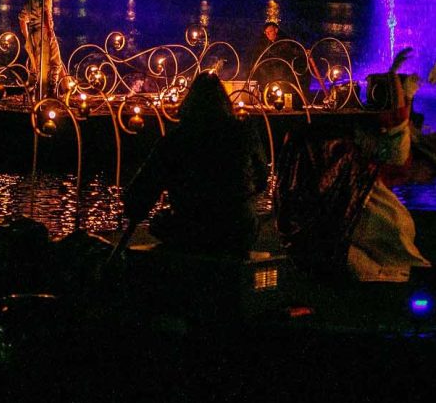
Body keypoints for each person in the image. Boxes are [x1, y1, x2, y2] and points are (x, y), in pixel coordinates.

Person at [275, 47, 432, 282]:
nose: (425, 180)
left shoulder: (362, 179)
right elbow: (398, 125)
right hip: (377, 274)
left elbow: (398, 125)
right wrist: (398, 83)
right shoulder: (374, 196)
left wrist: (399, 84)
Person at [122, 73, 268, 256]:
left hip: (193, 230)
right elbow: (262, 180)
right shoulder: (243, 134)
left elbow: (140, 192)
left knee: (161, 223)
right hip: (240, 231)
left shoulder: (176, 140)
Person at [18, 0, 65, 98]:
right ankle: (51, 89)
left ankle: (30, 90)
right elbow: (46, 15)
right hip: (45, 33)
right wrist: (49, 31)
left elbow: (22, 20)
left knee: (36, 64)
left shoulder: (29, 2)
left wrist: (27, 36)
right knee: (56, 61)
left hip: (34, 34)